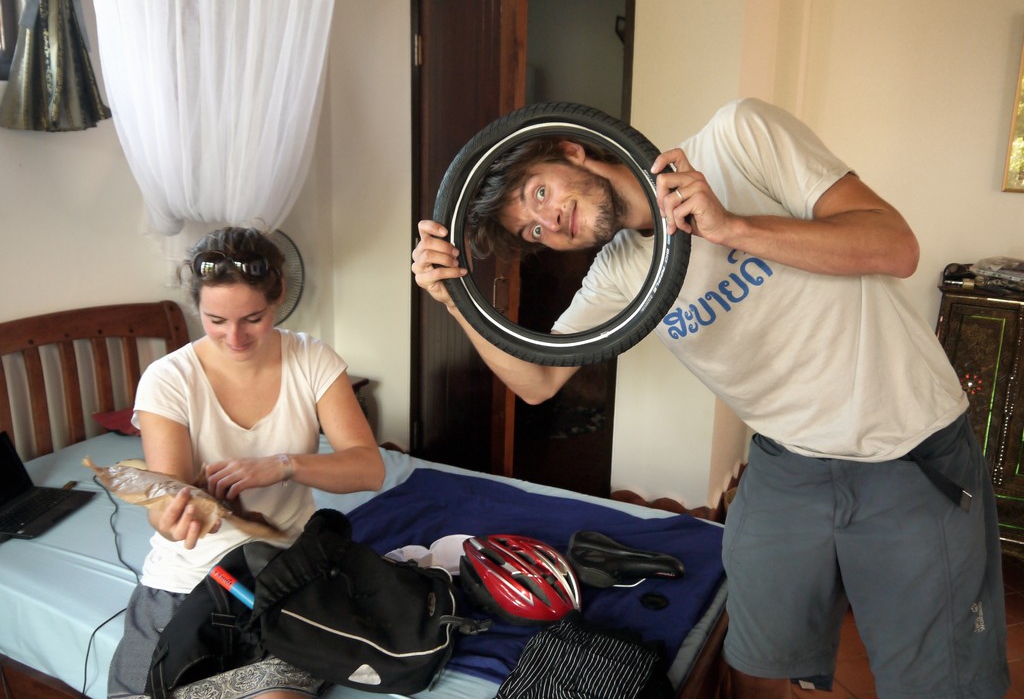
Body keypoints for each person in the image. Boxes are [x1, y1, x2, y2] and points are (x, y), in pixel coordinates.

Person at [412, 98, 1010, 698]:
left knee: (937, 681)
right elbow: (538, 383)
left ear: (573, 150)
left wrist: (732, 227)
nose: (552, 221)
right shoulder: (619, 272)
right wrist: (455, 299)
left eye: (539, 192)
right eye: (534, 230)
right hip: (789, 460)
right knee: (756, 658)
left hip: (909, 447)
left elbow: (896, 246)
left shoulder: (737, 139)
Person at [108, 226, 385, 699]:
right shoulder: (168, 379)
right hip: (188, 579)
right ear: (197, 306)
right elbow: (166, 497)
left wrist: (284, 465)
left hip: (282, 573)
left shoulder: (311, 359)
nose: (234, 337)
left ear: (279, 297)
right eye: (215, 320)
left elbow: (369, 470)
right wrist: (175, 519)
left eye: (252, 319)